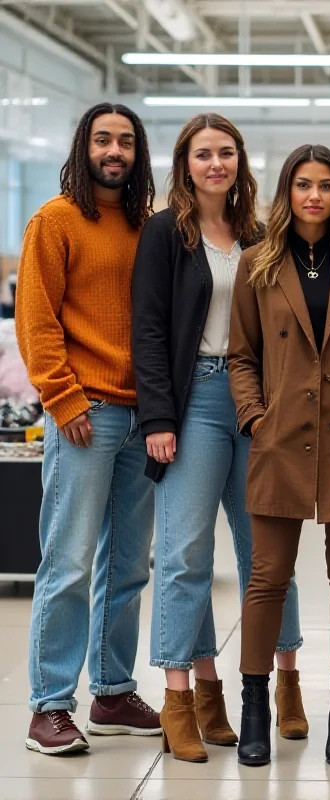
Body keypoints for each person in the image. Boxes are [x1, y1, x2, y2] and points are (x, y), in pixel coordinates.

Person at [131, 114, 306, 763]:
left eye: (225, 153)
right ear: (185, 162)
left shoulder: (261, 234)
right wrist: (158, 418)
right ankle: (186, 696)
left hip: (259, 403)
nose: (215, 164)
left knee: (270, 555)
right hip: (195, 400)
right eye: (203, 154)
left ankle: (286, 682)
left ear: (239, 162)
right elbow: (148, 328)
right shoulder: (163, 232)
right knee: (184, 554)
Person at [228, 144, 330, 768]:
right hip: (279, 436)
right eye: (303, 184)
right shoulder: (257, 266)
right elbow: (242, 353)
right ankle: (254, 707)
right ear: (286, 193)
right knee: (267, 577)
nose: (314, 195)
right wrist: (252, 415)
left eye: (325, 185)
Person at [16, 102, 161, 755]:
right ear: (85, 146)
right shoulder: (55, 219)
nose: (114, 150)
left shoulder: (145, 226)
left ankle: (111, 690)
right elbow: (37, 319)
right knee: (68, 561)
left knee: (127, 564)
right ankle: (48, 705)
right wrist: (63, 398)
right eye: (103, 139)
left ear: (137, 153)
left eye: (125, 141)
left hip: (143, 416)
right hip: (84, 414)